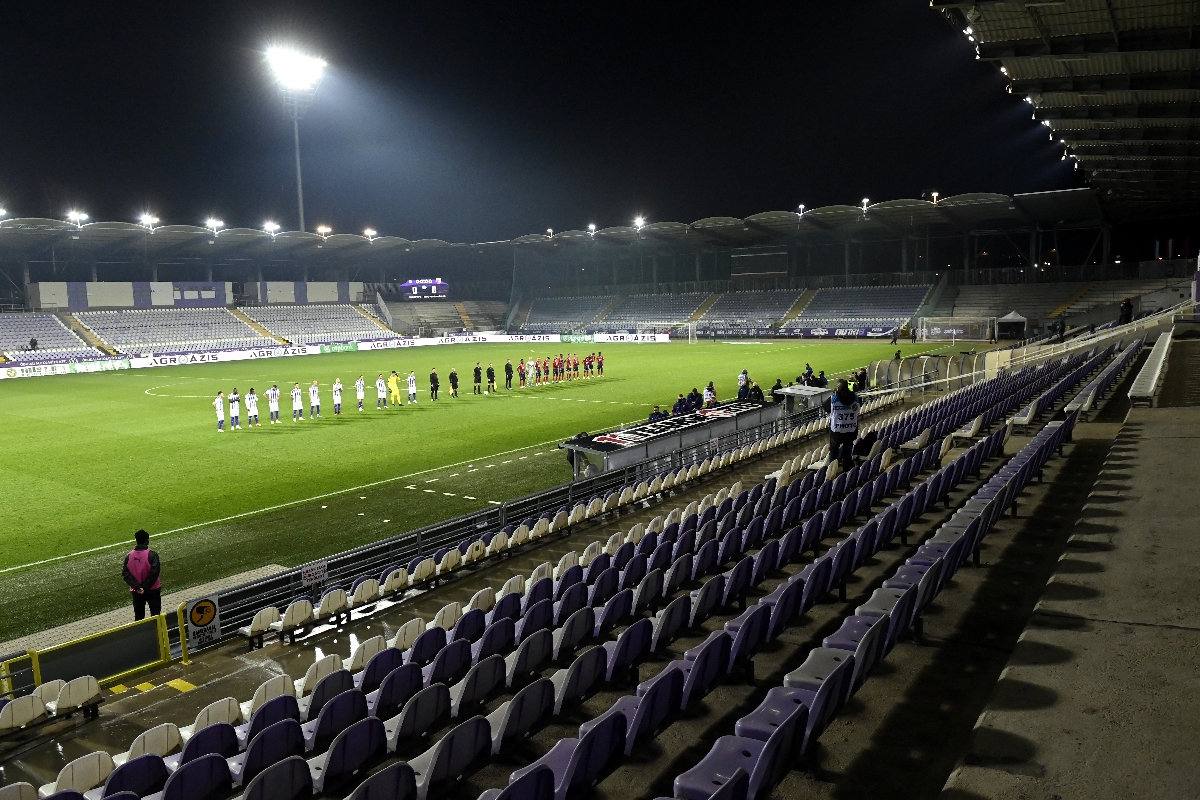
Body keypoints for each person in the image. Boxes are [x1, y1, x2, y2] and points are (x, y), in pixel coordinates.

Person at [822, 378, 860, 472]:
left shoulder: (833, 398)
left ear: (838, 388)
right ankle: (846, 471)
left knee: (834, 452)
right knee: (847, 452)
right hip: (851, 429)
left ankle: (832, 471)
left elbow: (826, 408)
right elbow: (858, 408)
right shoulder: (855, 398)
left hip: (837, 431)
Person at [123, 529, 161, 620]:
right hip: (153, 590)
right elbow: (154, 573)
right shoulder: (152, 555)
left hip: (137, 592)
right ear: (147, 540)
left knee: (139, 617)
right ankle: (158, 633)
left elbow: (125, 573)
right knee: (156, 616)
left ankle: (141, 633)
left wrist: (138, 587)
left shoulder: (129, 556)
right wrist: (145, 587)